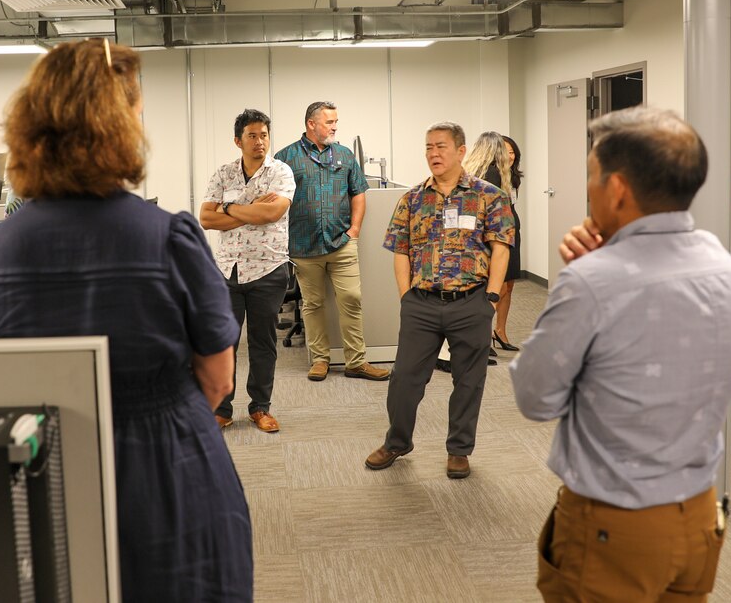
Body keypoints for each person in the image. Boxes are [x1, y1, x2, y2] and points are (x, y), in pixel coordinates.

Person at [0, 39, 252, 602]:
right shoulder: (169, 236)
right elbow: (218, 380)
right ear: (117, 123)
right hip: (168, 465)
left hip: (43, 469)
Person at [510, 107, 731, 602]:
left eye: (591, 177)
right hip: (700, 519)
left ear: (617, 189)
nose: (588, 189)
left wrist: (578, 283)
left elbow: (534, 398)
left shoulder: (593, 282)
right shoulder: (722, 265)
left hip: (613, 531)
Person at [365, 122, 513, 479]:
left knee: (468, 381)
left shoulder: (489, 195)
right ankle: (397, 441)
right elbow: (401, 250)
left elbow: (501, 247)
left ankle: (459, 450)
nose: (433, 153)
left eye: (441, 147)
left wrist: (491, 298)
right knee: (404, 380)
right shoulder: (413, 198)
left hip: (471, 302)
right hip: (422, 304)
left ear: (461, 151)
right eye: (429, 147)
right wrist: (406, 297)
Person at [274, 100, 389, 382]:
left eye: (336, 121)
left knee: (352, 298)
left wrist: (355, 230)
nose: (335, 126)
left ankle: (356, 362)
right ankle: (320, 359)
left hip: (341, 242)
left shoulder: (345, 155)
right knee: (312, 304)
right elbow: (273, 198)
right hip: (303, 245)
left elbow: (358, 193)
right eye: (329, 122)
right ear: (311, 124)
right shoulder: (285, 157)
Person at [200, 109, 295, 433]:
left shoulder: (280, 172)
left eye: (264, 135)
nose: (259, 141)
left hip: (268, 269)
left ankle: (260, 408)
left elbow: (273, 212)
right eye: (252, 135)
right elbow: (205, 218)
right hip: (228, 270)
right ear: (238, 140)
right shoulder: (223, 174)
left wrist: (228, 208)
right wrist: (249, 210)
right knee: (225, 343)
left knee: (262, 342)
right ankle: (222, 409)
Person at [462, 130, 516, 364]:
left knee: (488, 290)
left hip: (477, 238)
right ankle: (479, 343)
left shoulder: (473, 172)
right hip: (494, 238)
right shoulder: (493, 174)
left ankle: (481, 341)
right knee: (497, 289)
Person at [495, 135, 523, 349]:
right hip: (500, 235)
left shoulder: (513, 177)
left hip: (514, 232)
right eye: (505, 151)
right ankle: (484, 335)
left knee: (510, 286)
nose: (510, 156)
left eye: (512, 152)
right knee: (499, 287)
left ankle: (501, 331)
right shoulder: (493, 176)